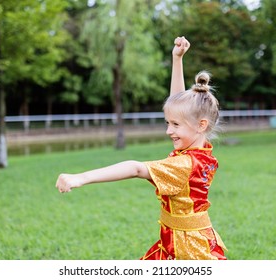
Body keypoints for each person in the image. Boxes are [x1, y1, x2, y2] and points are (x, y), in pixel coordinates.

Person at [55, 36, 227, 260]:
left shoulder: (183, 164)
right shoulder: (199, 150)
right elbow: (181, 106)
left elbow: (136, 168)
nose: (168, 131)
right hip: (183, 239)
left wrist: (81, 178)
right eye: (168, 123)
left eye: (175, 125)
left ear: (200, 125)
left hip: (188, 250)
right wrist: (177, 60)